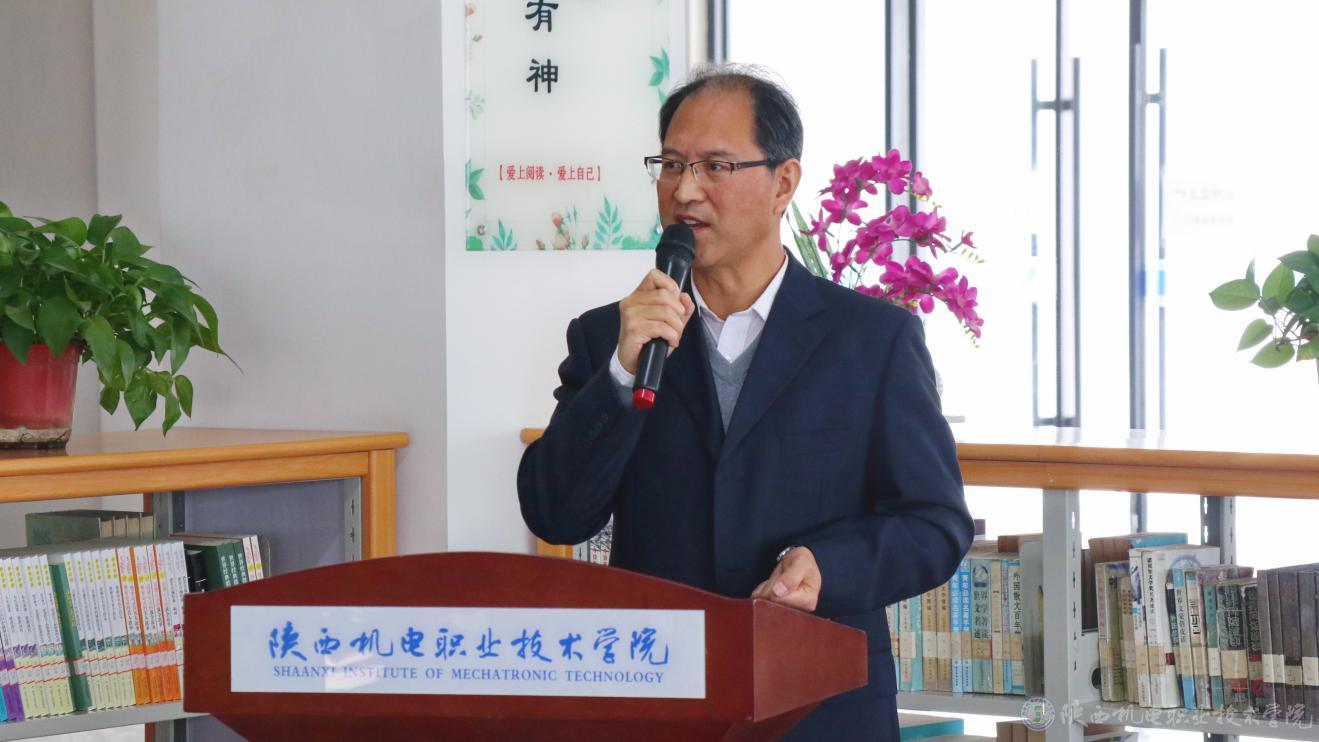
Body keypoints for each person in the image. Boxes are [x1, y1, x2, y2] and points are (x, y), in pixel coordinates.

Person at [518, 64, 974, 739]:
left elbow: (934, 523)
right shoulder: (608, 337)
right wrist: (618, 374)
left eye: (715, 166)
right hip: (659, 700)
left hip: (820, 706)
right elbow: (555, 514)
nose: (684, 190)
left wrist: (828, 567)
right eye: (671, 165)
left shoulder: (872, 340)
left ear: (783, 182)